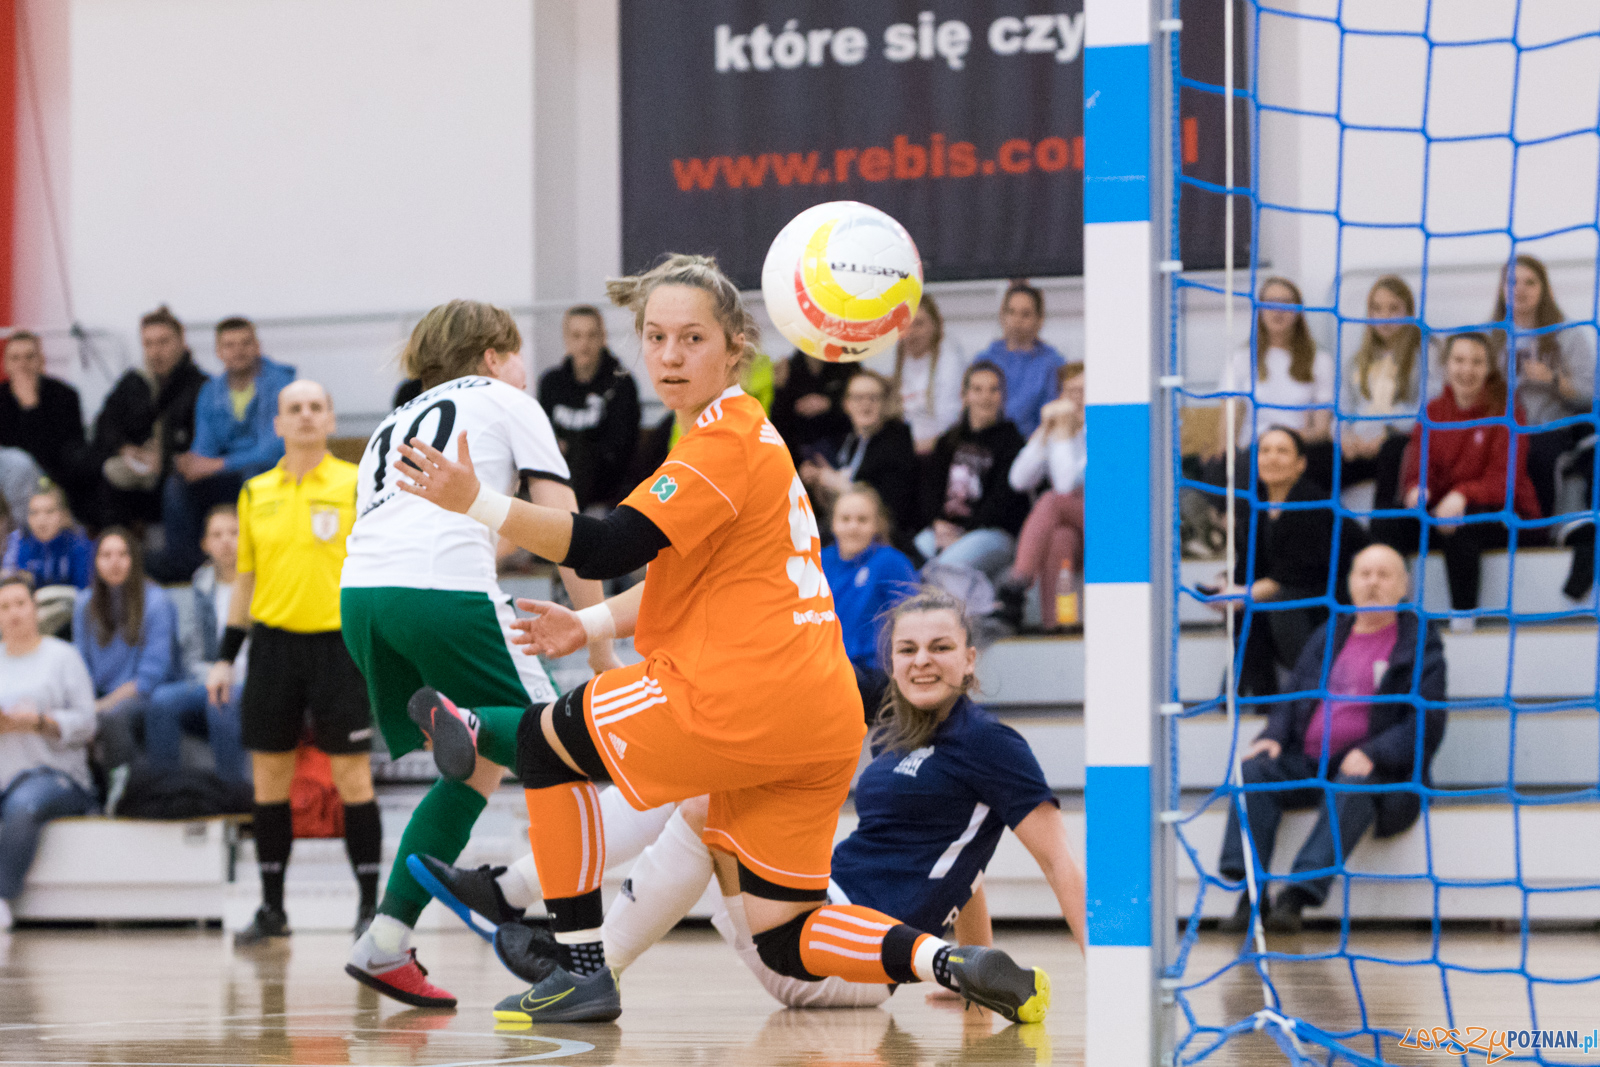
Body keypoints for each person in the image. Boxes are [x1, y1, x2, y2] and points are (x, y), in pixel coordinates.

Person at [391, 253, 1051, 1024]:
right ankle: (947, 957)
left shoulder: (723, 441)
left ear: (735, 348)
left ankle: (577, 964)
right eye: (657, 337)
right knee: (786, 935)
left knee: (545, 744)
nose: (671, 356)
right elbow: (680, 579)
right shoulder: (739, 441)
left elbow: (604, 545)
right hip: (823, 713)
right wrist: (591, 622)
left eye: (692, 339)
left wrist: (478, 501)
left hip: (743, 691)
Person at [418, 587, 1085, 1011]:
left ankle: (566, 943)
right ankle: (559, 932)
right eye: (907, 648)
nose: (921, 660)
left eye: (941, 647)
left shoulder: (994, 744)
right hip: (805, 914)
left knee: (707, 795)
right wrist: (963, 979)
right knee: (703, 782)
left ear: (970, 658)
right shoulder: (890, 734)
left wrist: (1107, 972)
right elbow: (962, 873)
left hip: (846, 954)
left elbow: (1057, 861)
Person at [340, 299, 624, 1007]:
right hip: (441, 591)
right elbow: (563, 524)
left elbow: (470, 528)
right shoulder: (505, 397)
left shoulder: (392, 421)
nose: (524, 368)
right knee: (558, 745)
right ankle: (575, 960)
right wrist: (596, 632)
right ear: (495, 356)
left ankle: (383, 941)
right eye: (519, 353)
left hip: (362, 598)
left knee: (478, 772)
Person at [204, 380, 380, 943]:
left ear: (331, 420)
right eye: (293, 409)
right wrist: (225, 657)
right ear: (276, 424)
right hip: (274, 647)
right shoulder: (255, 492)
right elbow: (244, 581)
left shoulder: (358, 484)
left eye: (316, 407)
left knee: (352, 776)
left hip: (340, 646)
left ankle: (371, 912)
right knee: (270, 781)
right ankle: (272, 910)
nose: (305, 416)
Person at [1217, 544, 1446, 933]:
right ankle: (1251, 894)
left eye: (1383, 574)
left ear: (1404, 585)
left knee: (1354, 784)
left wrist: (1373, 752)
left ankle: (1297, 897)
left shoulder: (1418, 641)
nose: (1372, 582)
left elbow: (1427, 721)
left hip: (1376, 770)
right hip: (1307, 760)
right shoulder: (1331, 633)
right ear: (1350, 583)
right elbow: (1294, 693)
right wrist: (1272, 735)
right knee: (1252, 771)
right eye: (1364, 573)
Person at [1371, 333, 1540, 623]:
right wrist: (1417, 489)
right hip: (1444, 513)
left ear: (1489, 368)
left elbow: (1504, 481)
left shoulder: (1507, 409)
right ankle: (1388, 614)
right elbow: (1419, 467)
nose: (1467, 369)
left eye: (1477, 362)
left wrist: (1461, 494)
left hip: (1502, 515)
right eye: (1459, 360)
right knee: (1387, 520)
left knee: (1463, 524)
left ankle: (1464, 620)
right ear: (1445, 366)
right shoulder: (1433, 411)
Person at [151, 318, 295, 582]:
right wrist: (192, 464)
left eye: (245, 343)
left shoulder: (281, 385)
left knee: (254, 476)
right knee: (176, 484)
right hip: (228, 475)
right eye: (229, 345)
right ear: (218, 352)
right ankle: (191, 568)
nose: (237, 350)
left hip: (271, 474)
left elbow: (273, 451)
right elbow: (204, 448)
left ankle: (260, 559)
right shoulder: (210, 391)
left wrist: (215, 465)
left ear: (257, 347)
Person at [0, 574, 97, 932]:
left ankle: (3, 895)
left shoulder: (62, 657)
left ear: (35, 609)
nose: (13, 614)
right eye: (4, 607)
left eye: (20, 605)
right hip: (5, 773)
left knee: (24, 805)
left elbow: (88, 723)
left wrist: (39, 722)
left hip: (56, 774)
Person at [1218, 428, 1342, 699]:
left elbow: (1294, 575)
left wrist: (1241, 594)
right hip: (1288, 604)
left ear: (1301, 464)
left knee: (1275, 601)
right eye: (1265, 450)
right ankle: (1260, 698)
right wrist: (1226, 589)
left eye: (1282, 451)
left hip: (1330, 607)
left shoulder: (1314, 503)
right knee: (1246, 610)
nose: (1272, 458)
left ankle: (1312, 691)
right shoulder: (1255, 507)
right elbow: (1250, 569)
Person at [141, 505, 249, 785]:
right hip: (210, 678)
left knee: (222, 703)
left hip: (255, 680)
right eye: (217, 534)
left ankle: (233, 794)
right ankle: (168, 791)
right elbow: (194, 652)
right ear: (205, 544)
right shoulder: (200, 586)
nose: (226, 541)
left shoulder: (264, 581)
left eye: (234, 532)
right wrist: (213, 677)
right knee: (162, 700)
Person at [71, 528, 179, 792]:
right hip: (98, 695)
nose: (114, 562)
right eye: (106, 555)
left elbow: (151, 675)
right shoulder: (84, 603)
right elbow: (79, 666)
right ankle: (81, 793)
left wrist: (101, 706)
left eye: (122, 554)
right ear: (95, 563)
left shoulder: (156, 602)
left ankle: (122, 796)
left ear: (135, 560)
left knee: (111, 717)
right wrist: (86, 704)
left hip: (147, 694)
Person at [1491, 254, 1597, 519]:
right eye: (1512, 282)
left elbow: (1589, 394)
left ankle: (1539, 530)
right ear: (1502, 289)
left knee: (1537, 451)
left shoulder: (1569, 334)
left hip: (1552, 428)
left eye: (1530, 282)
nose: (1520, 290)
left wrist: (1553, 380)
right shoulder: (1489, 337)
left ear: (1544, 289)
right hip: (1500, 429)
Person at [93, 306, 209, 529]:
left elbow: (204, 439)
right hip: (137, 465)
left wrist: (166, 457)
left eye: (163, 342)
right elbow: (106, 423)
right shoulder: (133, 382)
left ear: (181, 341)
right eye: (148, 344)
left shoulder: (200, 386)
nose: (156, 351)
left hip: (177, 469)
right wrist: (124, 448)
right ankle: (115, 546)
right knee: (100, 469)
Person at [1218, 277, 1336, 490]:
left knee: (1322, 460)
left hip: (1300, 449)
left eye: (1286, 302)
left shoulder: (1320, 360)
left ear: (1298, 310)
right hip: (1254, 451)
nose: (1277, 310)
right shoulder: (1241, 359)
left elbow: (1321, 430)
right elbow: (1228, 423)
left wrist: (1286, 439)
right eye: (1270, 302)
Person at [916, 361, 1029, 584]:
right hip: (945, 529)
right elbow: (929, 488)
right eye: (977, 389)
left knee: (946, 567)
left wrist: (962, 533)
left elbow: (1002, 501)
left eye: (993, 389)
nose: (985, 396)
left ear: (1002, 396)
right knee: (914, 555)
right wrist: (937, 523)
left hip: (992, 533)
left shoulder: (1012, 442)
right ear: (965, 395)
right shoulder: (948, 440)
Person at [998, 363, 1086, 632]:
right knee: (1061, 536)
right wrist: (1043, 435)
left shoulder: (1104, 429)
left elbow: (1065, 487)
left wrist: (1061, 436)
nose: (1076, 399)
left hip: (1106, 521)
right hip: (1074, 524)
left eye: (1083, 391)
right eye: (1070, 391)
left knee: (1050, 500)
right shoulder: (1060, 429)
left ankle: (1019, 579)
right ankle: (1060, 622)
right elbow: (1018, 480)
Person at [818, 484, 918, 712]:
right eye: (845, 519)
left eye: (862, 520)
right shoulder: (818, 562)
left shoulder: (891, 562)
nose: (853, 526)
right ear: (833, 523)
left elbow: (913, 620)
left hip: (873, 674)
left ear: (876, 525)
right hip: (825, 667)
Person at [537, 306, 642, 512]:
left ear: (603, 337)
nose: (584, 344)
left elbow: (621, 447)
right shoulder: (551, 383)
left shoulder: (620, 383)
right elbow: (541, 437)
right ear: (566, 339)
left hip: (605, 481)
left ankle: (567, 524)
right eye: (576, 336)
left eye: (591, 335)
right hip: (558, 476)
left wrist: (576, 445)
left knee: (583, 451)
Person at [799, 370, 920, 546]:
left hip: (883, 538)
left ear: (885, 404)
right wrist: (819, 482)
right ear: (846, 404)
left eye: (873, 398)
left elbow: (891, 510)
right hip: (845, 530)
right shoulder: (850, 439)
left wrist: (839, 484)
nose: (866, 404)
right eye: (858, 398)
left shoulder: (897, 441)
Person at [1340, 275, 1423, 511]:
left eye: (1393, 308)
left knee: (1392, 450)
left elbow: (1428, 408)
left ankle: (1381, 534)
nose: (1384, 317)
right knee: (1317, 459)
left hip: (1397, 443)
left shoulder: (1426, 353)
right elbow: (1342, 409)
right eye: (1377, 309)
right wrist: (1345, 437)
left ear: (1408, 311)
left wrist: (1387, 432)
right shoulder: (1356, 360)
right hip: (1359, 446)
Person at [0, 332, 96, 525]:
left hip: (55, 484)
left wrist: (31, 410)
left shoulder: (64, 396)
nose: (22, 364)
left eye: (29, 357)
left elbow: (61, 456)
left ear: (41, 361)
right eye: (15, 358)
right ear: (6, 364)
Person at [867, 295, 965, 454]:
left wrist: (911, 449)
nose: (911, 332)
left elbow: (950, 420)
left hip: (937, 449)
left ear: (935, 325)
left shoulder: (949, 359)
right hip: (903, 444)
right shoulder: (897, 354)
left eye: (919, 324)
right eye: (906, 325)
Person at [970, 283, 1065, 438]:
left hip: (1032, 448)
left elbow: (1052, 419)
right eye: (1011, 312)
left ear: (1039, 320)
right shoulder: (984, 360)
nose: (1017, 320)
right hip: (987, 444)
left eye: (1025, 314)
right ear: (1002, 316)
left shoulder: (1053, 364)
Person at [3, 485, 92, 635]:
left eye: (49, 512)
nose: (41, 520)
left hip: (74, 622)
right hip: (32, 622)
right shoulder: (20, 545)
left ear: (63, 515)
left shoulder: (79, 545)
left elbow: (85, 592)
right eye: (34, 513)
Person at [769, 351, 853, 465]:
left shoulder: (847, 365)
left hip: (838, 444)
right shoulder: (789, 366)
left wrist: (830, 403)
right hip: (798, 448)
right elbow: (780, 421)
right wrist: (779, 389)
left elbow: (854, 412)